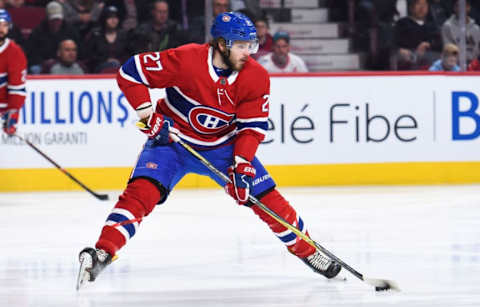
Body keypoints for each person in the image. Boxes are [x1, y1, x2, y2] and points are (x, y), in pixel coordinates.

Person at [76, 12, 341, 289]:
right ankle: (104, 251)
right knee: (140, 194)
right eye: (241, 45)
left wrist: (242, 165)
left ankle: (309, 251)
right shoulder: (187, 59)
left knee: (268, 200)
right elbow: (130, 73)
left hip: (223, 148)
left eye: (251, 45)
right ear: (222, 45)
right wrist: (149, 115)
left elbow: (251, 128)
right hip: (172, 143)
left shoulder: (256, 77)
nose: (248, 52)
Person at [25, 1, 80, 74]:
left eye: (58, 20)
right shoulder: (38, 31)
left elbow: (80, 49)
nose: (56, 22)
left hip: (67, 63)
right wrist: (42, 62)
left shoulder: (70, 31)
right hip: (43, 63)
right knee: (35, 69)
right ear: (48, 19)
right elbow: (31, 52)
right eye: (53, 20)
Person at [393, 0, 442, 70]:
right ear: (411, 7)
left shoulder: (432, 26)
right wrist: (401, 50)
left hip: (430, 65)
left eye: (425, 4)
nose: (422, 7)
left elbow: (439, 45)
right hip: (408, 65)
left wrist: (427, 44)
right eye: (418, 4)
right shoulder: (402, 24)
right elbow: (395, 45)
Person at [0, 9, 26, 136]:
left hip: (2, 109)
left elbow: (17, 88)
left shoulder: (15, 52)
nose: (1, 29)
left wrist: (13, 113)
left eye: (5, 25)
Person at [86, 5, 128, 73]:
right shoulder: (96, 35)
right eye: (110, 17)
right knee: (113, 65)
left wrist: (120, 61)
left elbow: (128, 54)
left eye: (115, 17)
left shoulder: (124, 35)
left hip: (121, 67)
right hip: (99, 67)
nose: (113, 20)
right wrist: (105, 60)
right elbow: (90, 55)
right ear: (104, 19)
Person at [442, 0, 480, 64]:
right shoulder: (447, 26)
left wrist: (473, 63)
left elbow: (478, 50)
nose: (461, 8)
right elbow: (448, 50)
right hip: (454, 65)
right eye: (458, 6)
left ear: (469, 7)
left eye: (465, 6)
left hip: (474, 65)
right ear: (454, 8)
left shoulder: (476, 29)